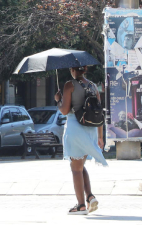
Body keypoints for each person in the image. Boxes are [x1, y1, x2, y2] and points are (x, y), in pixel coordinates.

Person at [54, 66, 107, 215]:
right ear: (85, 69)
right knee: (80, 166)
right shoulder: (93, 86)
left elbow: (64, 110)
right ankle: (89, 196)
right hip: (91, 130)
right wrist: (100, 137)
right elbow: (98, 111)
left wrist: (58, 100)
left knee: (75, 168)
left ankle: (81, 205)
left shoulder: (69, 85)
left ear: (72, 69)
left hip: (75, 127)